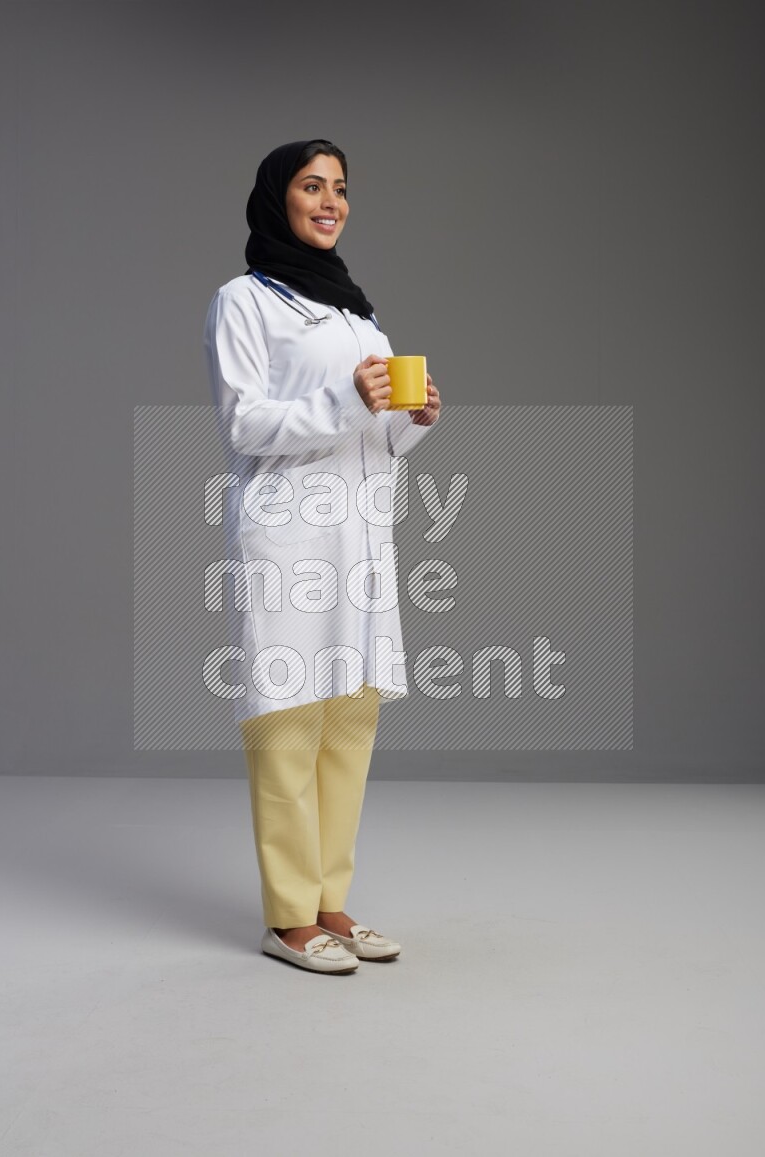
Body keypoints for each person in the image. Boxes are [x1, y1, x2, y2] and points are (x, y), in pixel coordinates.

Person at [203, 139, 441, 974]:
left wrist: (409, 419)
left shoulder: (356, 314)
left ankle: (331, 902)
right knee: (287, 717)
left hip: (360, 535)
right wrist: (349, 395)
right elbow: (243, 424)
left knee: (350, 718)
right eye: (313, 185)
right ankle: (287, 915)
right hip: (288, 536)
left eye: (340, 188)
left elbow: (373, 440)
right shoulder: (245, 301)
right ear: (279, 197)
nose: (330, 200)